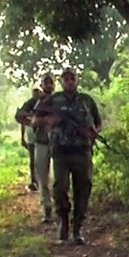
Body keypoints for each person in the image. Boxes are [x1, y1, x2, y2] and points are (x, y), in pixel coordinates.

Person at [35, 67, 102, 245]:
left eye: (72, 78)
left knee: (83, 188)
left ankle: (78, 227)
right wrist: (49, 121)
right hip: (61, 152)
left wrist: (93, 132)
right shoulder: (52, 100)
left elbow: (98, 123)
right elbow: (35, 119)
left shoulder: (86, 101)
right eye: (66, 79)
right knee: (60, 188)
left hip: (82, 151)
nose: (70, 81)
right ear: (62, 81)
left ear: (77, 80)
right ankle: (63, 222)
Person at [18, 75, 56, 221]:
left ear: (54, 85)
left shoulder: (59, 100)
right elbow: (19, 115)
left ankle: (60, 208)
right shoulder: (35, 102)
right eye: (45, 83)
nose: (48, 85)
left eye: (50, 82)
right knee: (42, 178)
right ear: (41, 85)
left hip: (58, 143)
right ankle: (47, 208)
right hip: (41, 142)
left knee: (59, 179)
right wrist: (33, 121)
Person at [15, 87, 43, 191]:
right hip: (31, 136)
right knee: (33, 159)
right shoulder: (28, 104)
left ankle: (41, 180)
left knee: (41, 160)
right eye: (34, 92)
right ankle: (34, 180)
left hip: (43, 137)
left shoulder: (45, 103)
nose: (36, 94)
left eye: (38, 92)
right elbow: (21, 119)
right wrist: (22, 137)